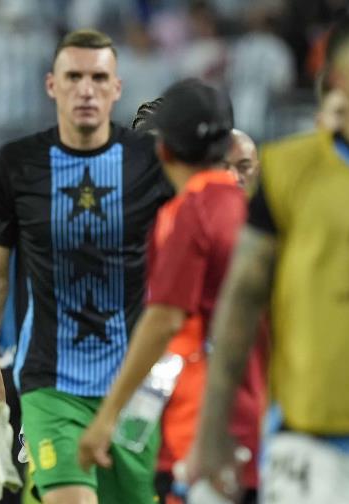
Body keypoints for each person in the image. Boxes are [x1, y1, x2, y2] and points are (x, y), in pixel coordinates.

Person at [187, 4, 349, 502]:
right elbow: (241, 305)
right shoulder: (288, 173)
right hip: (312, 447)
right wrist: (211, 429)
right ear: (340, 77)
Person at [0, 29, 174, 504]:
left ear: (116, 86)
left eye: (98, 77)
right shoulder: (17, 165)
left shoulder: (152, 170)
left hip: (136, 385)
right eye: (74, 76)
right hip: (50, 381)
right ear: (51, 84)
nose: (86, 89)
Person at [77, 79, 265, 504]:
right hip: (251, 419)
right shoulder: (253, 214)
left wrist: (106, 419)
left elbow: (163, 321)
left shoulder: (189, 215)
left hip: (196, 428)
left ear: (162, 152)